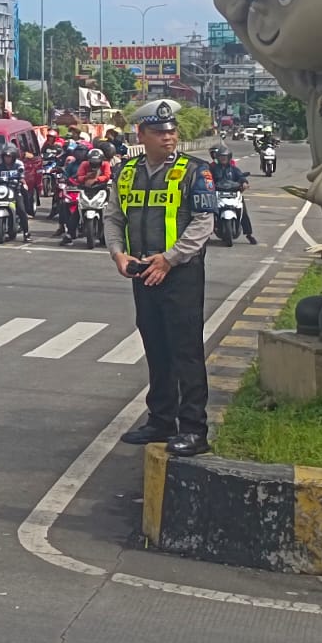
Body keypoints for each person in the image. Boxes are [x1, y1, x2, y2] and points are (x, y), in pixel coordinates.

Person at [105, 99, 217, 457]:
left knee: (186, 351)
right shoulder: (126, 171)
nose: (168, 138)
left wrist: (169, 259)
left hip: (180, 274)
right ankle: (161, 420)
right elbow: (113, 216)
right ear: (141, 134)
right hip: (142, 272)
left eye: (171, 131)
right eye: (159, 132)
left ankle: (195, 429)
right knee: (155, 347)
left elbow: (203, 223)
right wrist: (118, 253)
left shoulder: (195, 171)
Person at [208, 144, 258, 244]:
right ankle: (205, 235)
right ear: (217, 157)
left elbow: (241, 177)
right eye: (221, 157)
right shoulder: (213, 169)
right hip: (217, 193)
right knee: (207, 211)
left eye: (225, 157)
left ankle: (249, 234)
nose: (223, 159)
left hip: (233, 193)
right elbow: (208, 179)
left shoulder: (234, 169)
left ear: (229, 157)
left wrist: (244, 183)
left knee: (244, 212)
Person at [0, 143, 31, 242]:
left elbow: (21, 175)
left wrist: (22, 180)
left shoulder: (19, 165)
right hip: (1, 190)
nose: (7, 158)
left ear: (13, 157)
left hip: (14, 189)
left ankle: (26, 233)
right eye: (6, 156)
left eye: (9, 156)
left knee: (22, 210)